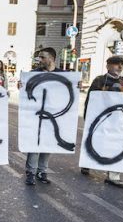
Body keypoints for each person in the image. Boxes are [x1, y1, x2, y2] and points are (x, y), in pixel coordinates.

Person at [18, 47, 80, 186]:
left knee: (48, 144)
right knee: (35, 144)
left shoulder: (63, 74)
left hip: (54, 115)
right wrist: (21, 85)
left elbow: (69, 90)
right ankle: (31, 172)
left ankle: (42, 171)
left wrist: (77, 86)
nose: (40, 60)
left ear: (52, 58)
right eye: (39, 57)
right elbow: (26, 91)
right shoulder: (33, 74)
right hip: (36, 115)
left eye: (43, 57)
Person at [80, 56, 123, 188]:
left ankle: (113, 176)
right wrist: (88, 118)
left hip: (117, 120)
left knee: (116, 145)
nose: (120, 67)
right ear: (108, 66)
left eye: (121, 65)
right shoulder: (99, 80)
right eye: (116, 64)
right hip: (100, 119)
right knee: (95, 142)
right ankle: (87, 163)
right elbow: (91, 100)